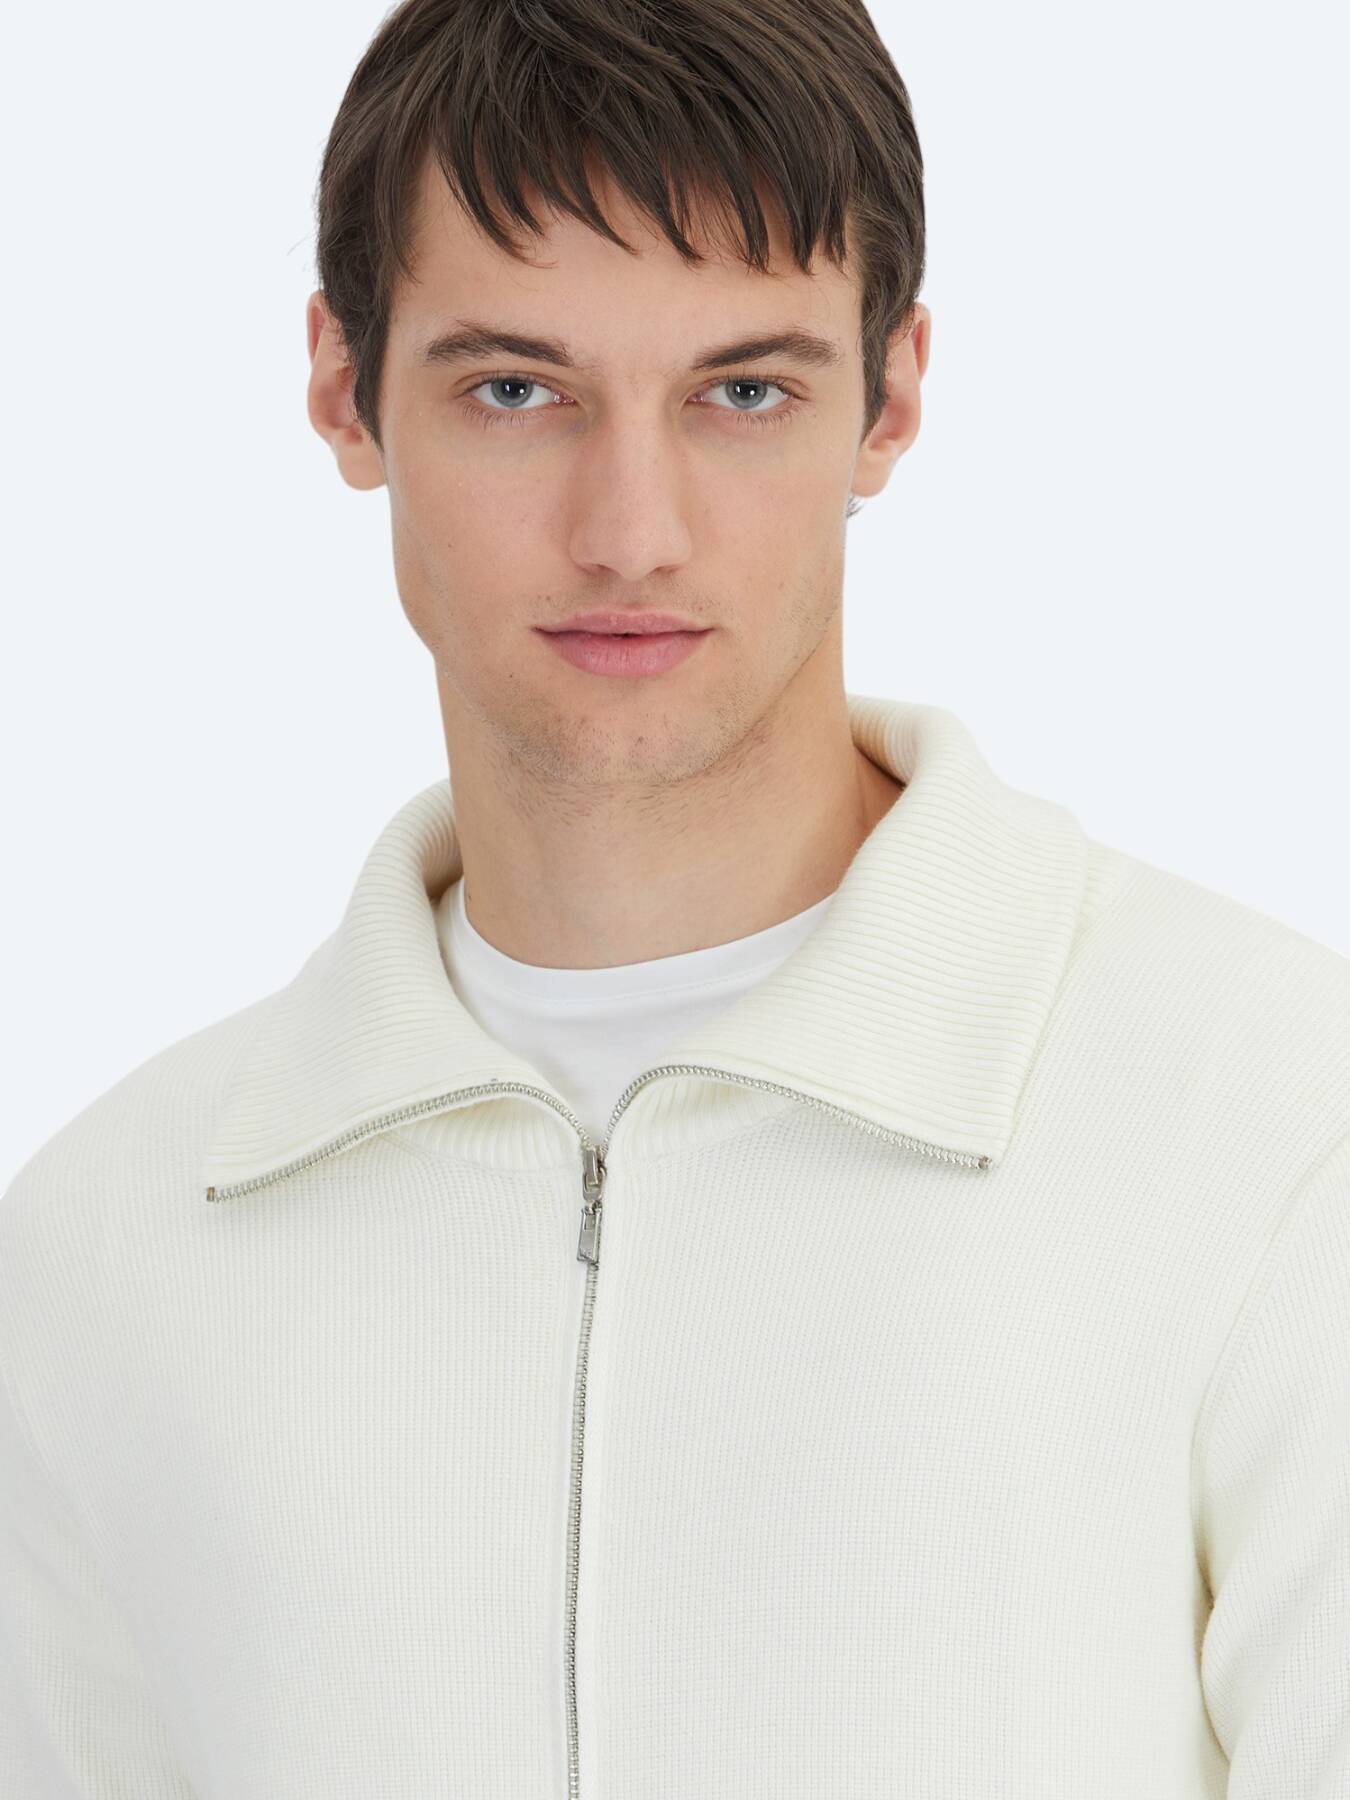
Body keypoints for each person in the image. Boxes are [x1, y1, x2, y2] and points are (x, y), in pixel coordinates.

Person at [2, 0, 1347, 1794]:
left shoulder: (1274, 1132)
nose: (630, 529)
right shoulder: (109, 1243)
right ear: (342, 385)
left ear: (890, 398)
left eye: (741, 392)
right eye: (514, 390)